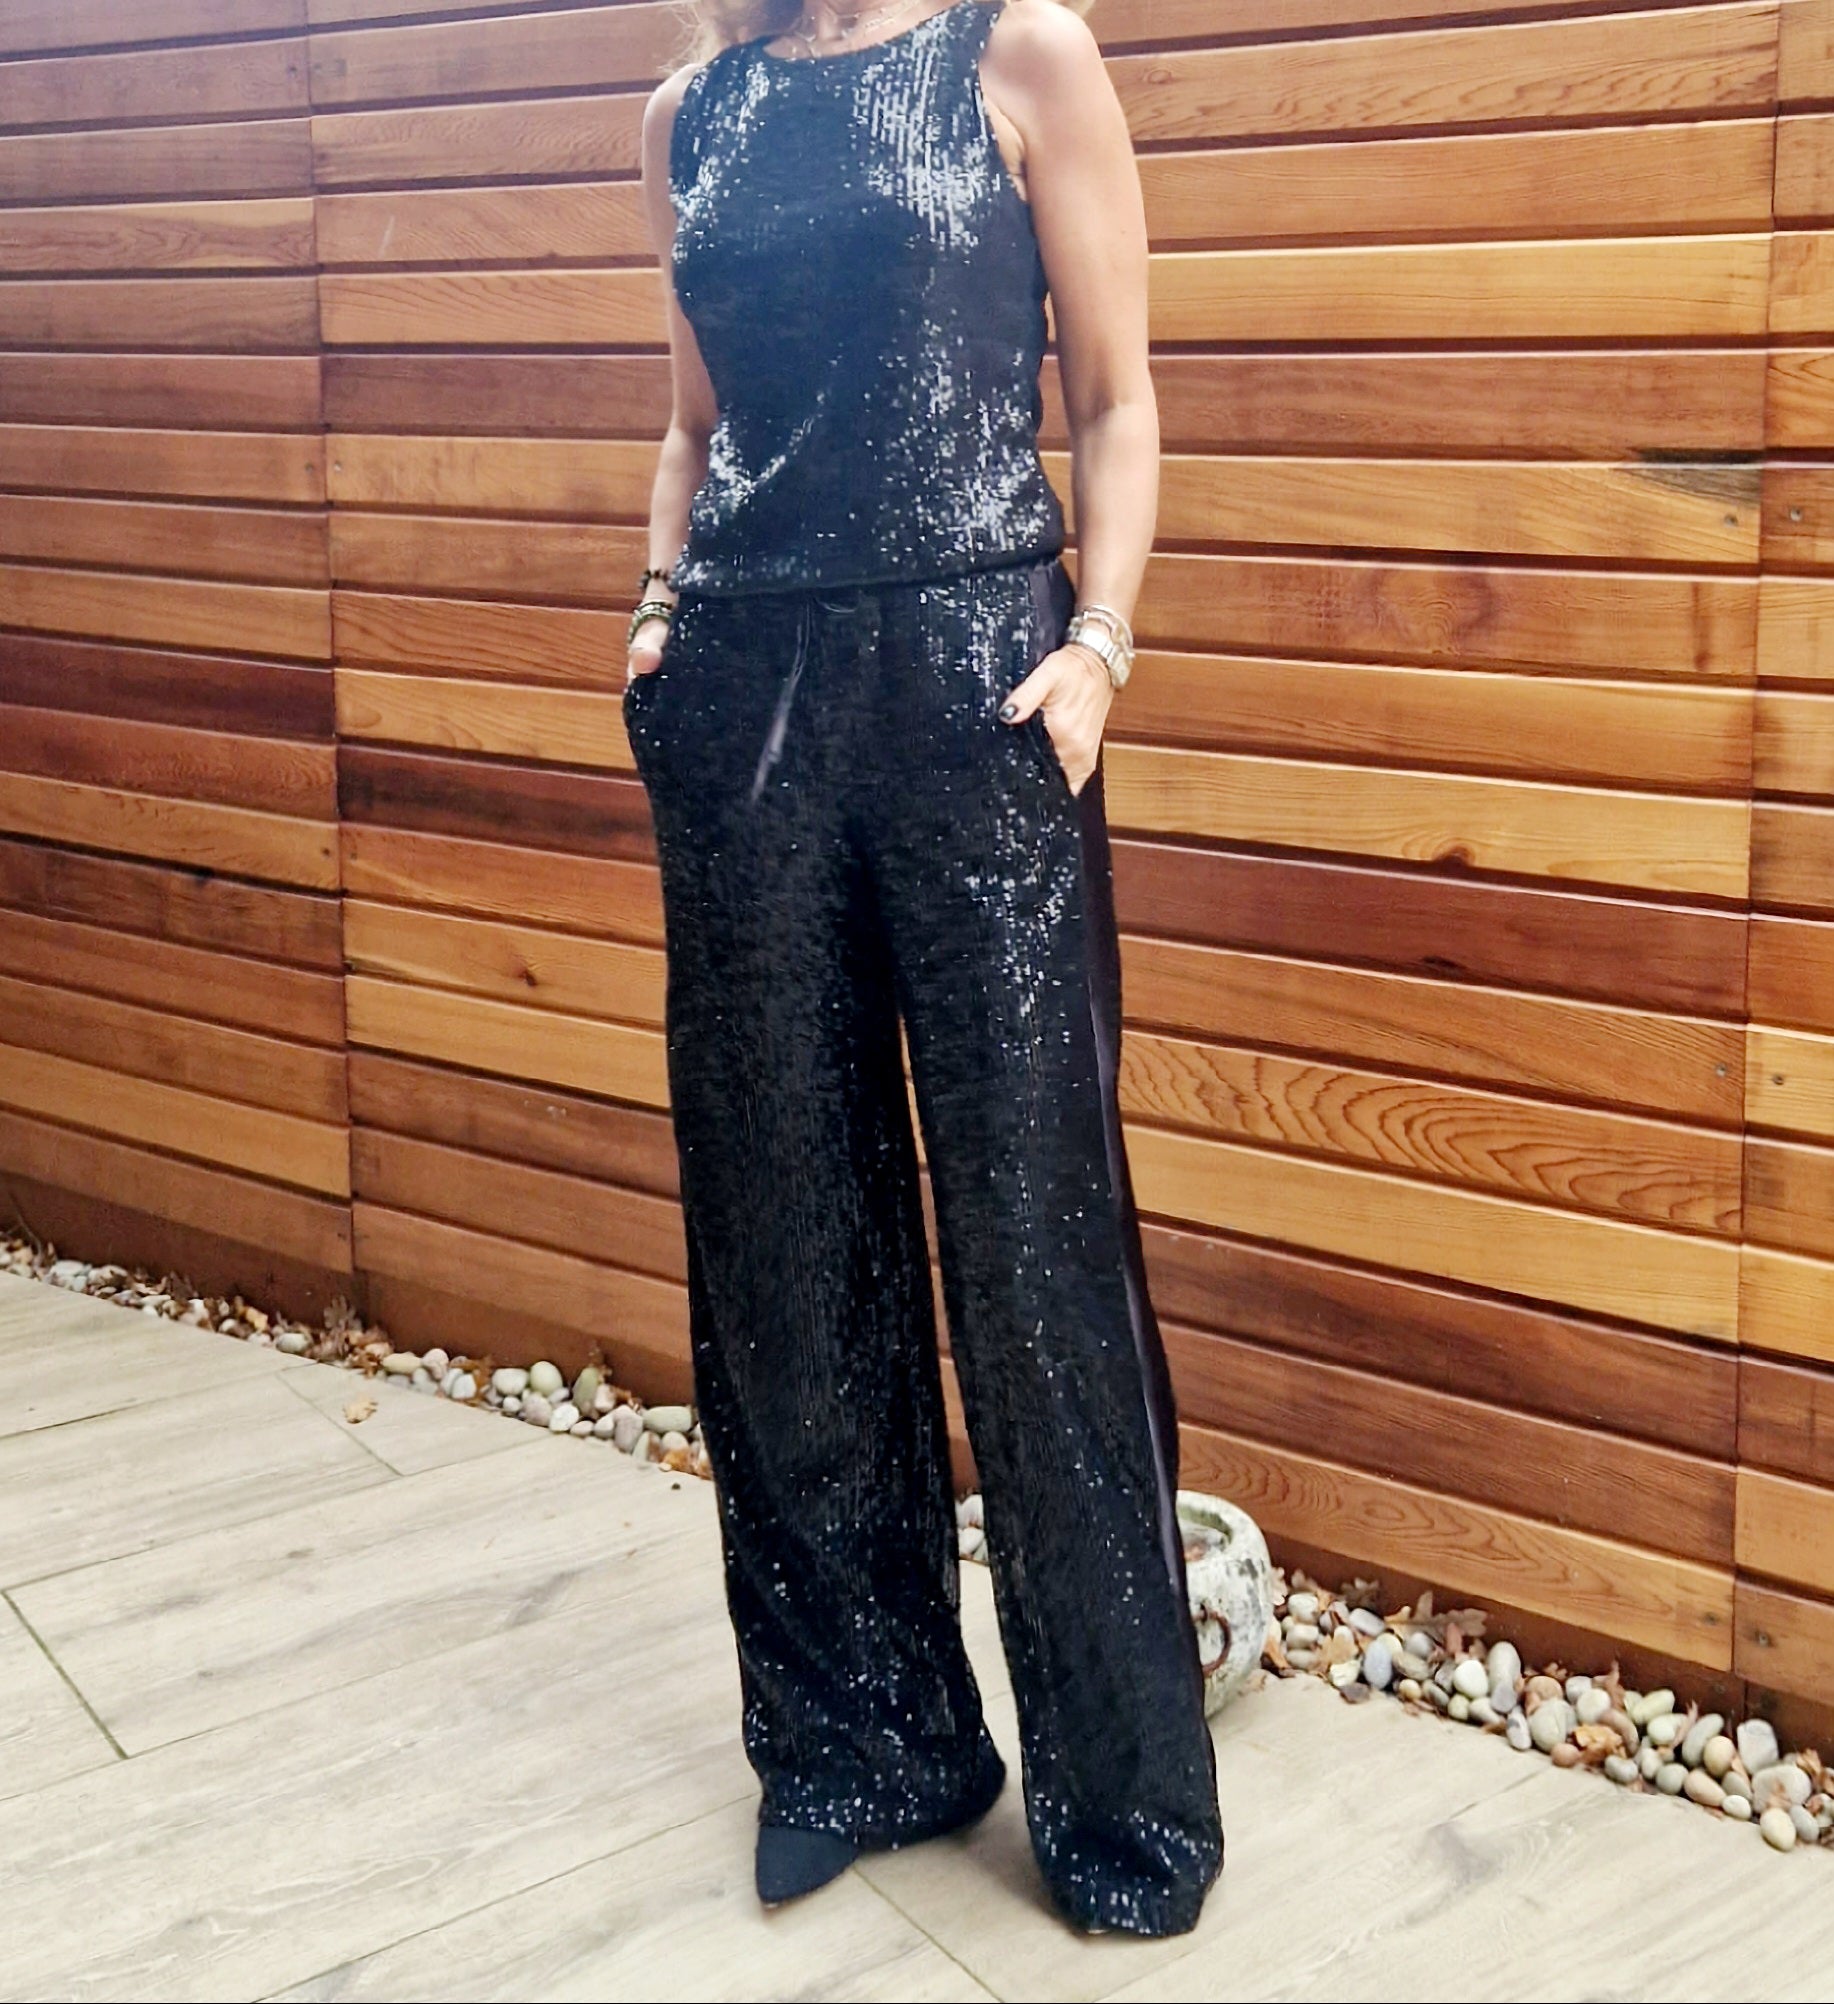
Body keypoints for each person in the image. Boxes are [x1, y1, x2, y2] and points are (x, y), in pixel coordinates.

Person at [622, 0, 1224, 1938]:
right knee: (783, 1235)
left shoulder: (1016, 54)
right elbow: (694, 425)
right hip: (743, 703)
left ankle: (1120, 1799)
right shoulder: (691, 115)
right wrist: (655, 619)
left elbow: (1113, 399)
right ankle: (860, 1744)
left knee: (1034, 1241)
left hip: (979, 698)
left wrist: (1097, 648)